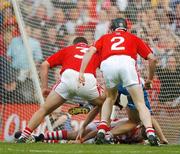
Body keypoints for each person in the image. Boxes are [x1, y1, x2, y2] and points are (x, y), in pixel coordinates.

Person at [79, 18, 158, 146]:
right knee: (140, 103)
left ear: (113, 27)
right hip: (127, 63)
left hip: (108, 65)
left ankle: (101, 131)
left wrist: (81, 72)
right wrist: (149, 79)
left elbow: (90, 51)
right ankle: (150, 133)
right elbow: (152, 59)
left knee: (109, 98)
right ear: (126, 27)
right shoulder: (133, 37)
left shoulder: (105, 37)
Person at [16, 37, 105, 143]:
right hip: (87, 79)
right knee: (105, 103)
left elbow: (44, 65)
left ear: (74, 44)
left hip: (68, 77)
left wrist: (44, 87)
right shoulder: (93, 50)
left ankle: (24, 136)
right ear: (86, 44)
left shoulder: (68, 49)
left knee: (44, 109)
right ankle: (104, 133)